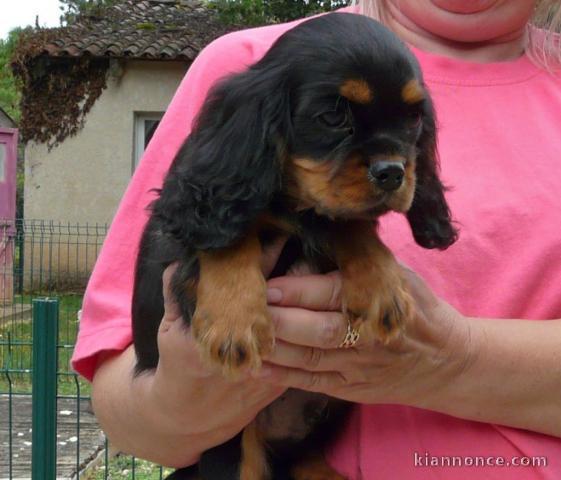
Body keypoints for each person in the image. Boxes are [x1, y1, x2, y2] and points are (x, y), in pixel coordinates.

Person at [72, 0, 561, 478]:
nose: (389, 164)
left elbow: (342, 228)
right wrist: (180, 404)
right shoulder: (248, 63)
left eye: (411, 122)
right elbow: (127, 393)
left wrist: (453, 361)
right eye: (333, 118)